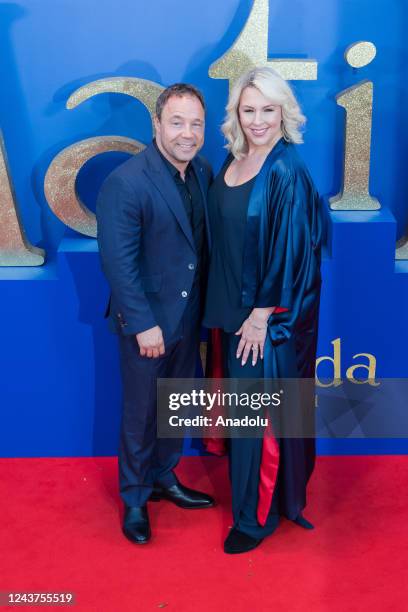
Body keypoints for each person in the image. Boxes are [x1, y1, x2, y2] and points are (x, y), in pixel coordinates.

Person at [204, 66, 322, 554]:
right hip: (227, 312)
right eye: (248, 109)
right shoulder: (232, 159)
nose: (257, 120)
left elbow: (292, 252)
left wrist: (258, 315)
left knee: (258, 423)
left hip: (262, 322)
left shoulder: (286, 170)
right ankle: (267, 502)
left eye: (267, 110)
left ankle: (253, 521)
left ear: (283, 113)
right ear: (236, 113)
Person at [97, 83, 214, 545]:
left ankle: (164, 477)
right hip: (147, 322)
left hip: (189, 317)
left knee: (176, 408)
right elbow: (118, 263)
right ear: (158, 126)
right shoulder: (127, 181)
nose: (188, 133)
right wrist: (144, 324)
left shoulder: (202, 172)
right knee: (141, 414)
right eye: (178, 122)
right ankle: (134, 497)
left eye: (196, 124)